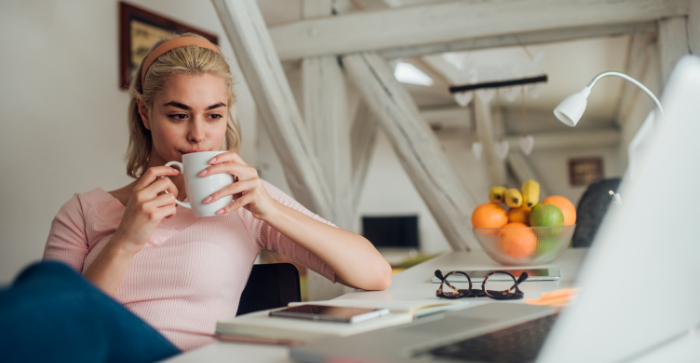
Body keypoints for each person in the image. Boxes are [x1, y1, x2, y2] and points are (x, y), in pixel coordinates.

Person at [43, 33, 392, 352]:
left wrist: (272, 211)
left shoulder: (244, 199)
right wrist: (125, 241)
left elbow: (375, 274)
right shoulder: (82, 212)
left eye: (213, 116)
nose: (198, 134)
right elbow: (51, 330)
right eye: (179, 115)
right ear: (145, 113)